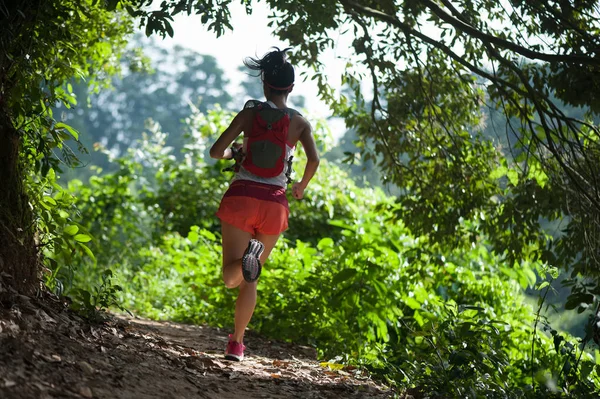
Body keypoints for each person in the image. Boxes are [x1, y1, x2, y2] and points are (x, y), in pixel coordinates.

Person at [209, 47, 320, 361]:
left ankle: (246, 260)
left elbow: (217, 152)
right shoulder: (299, 122)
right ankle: (237, 343)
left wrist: (236, 154)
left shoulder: (250, 113)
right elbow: (314, 159)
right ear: (291, 88)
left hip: (241, 197)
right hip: (274, 205)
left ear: (264, 84)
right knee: (251, 278)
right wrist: (300, 186)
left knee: (231, 278)